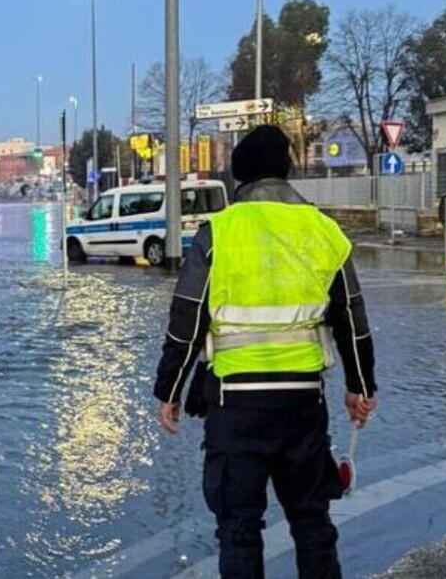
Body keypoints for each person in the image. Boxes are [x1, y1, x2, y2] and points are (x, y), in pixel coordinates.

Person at [152, 125, 378, 579]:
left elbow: (187, 319)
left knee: (238, 527)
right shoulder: (324, 230)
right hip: (302, 405)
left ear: (240, 175)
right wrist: (360, 386)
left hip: (234, 406)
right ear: (286, 170)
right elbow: (352, 318)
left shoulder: (218, 231)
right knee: (312, 522)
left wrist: (170, 390)